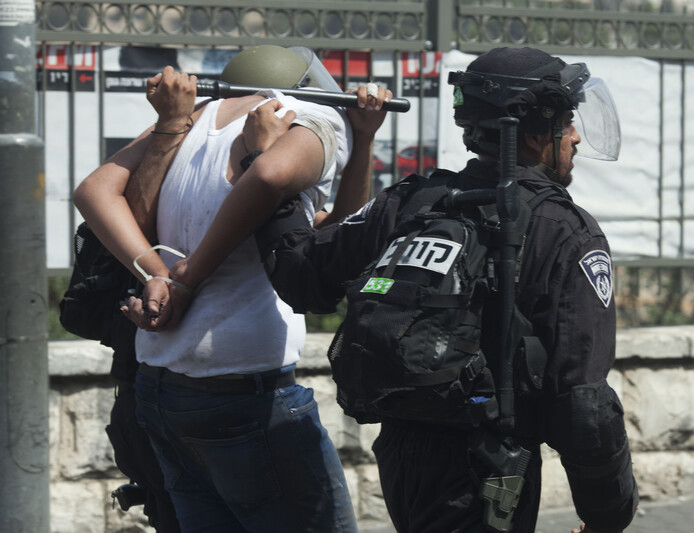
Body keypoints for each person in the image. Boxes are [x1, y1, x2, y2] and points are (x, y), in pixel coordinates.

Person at [237, 46, 637, 532]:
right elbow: (583, 401)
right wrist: (607, 518)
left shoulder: (410, 201)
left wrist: (262, 163)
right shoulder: (564, 230)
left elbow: (302, 277)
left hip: (402, 456)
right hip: (489, 467)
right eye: (567, 120)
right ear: (536, 128)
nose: (574, 135)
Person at [74, 45, 392, 533]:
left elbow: (93, 191)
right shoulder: (310, 113)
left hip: (160, 387)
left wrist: (156, 273)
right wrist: (186, 278)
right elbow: (271, 173)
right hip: (243, 387)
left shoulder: (193, 117)